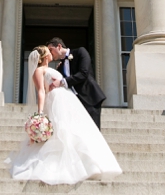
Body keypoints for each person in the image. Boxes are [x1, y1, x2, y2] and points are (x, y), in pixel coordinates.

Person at [7, 46, 122, 184]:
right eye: (48, 50)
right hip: (54, 102)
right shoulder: (38, 71)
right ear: (44, 56)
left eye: (51, 49)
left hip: (68, 102)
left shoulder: (57, 67)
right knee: (61, 133)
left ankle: (88, 165)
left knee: (74, 132)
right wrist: (40, 113)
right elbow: (41, 92)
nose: (51, 52)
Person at [48, 37, 106, 129]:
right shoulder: (60, 66)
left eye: (50, 50)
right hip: (74, 103)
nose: (49, 53)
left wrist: (62, 82)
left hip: (89, 98)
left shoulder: (80, 52)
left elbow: (84, 73)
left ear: (59, 46)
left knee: (93, 131)